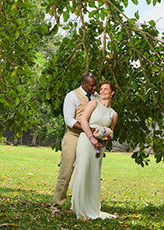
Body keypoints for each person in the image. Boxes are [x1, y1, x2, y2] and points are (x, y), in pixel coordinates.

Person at [51, 72, 97, 216]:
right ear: (83, 84)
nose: (94, 88)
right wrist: (87, 128)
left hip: (89, 139)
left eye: (95, 85)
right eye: (92, 85)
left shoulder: (96, 98)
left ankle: (83, 208)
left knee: (87, 174)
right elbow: (69, 120)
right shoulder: (72, 96)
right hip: (73, 137)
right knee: (66, 172)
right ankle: (56, 207)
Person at [69, 82, 118, 220]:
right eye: (101, 89)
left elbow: (110, 132)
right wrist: (92, 138)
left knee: (94, 174)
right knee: (83, 171)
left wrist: (103, 142)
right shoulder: (94, 103)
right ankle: (80, 209)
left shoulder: (114, 114)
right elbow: (83, 121)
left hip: (98, 147)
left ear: (112, 92)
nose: (102, 91)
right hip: (86, 140)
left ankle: (92, 208)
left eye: (106, 89)